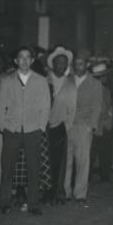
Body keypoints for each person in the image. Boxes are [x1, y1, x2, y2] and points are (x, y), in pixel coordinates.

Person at [0, 45, 50, 215]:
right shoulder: (7, 81)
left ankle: (33, 203)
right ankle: (4, 202)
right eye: (21, 57)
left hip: (33, 130)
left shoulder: (41, 81)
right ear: (16, 60)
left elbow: (45, 106)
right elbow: (0, 107)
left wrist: (40, 127)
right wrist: (3, 126)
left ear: (33, 61)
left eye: (28, 57)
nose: (25, 60)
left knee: (34, 168)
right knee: (7, 167)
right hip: (11, 130)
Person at [63, 52, 102, 206]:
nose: (77, 66)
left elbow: (97, 107)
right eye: (75, 63)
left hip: (83, 126)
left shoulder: (95, 84)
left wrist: (90, 126)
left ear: (86, 65)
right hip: (67, 125)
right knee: (66, 161)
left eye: (81, 63)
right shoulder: (68, 81)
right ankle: (65, 191)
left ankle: (80, 193)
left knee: (82, 161)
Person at [45, 45, 76, 204]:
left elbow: (72, 108)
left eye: (64, 62)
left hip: (61, 127)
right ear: (53, 63)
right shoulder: (45, 80)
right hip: (44, 127)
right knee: (45, 161)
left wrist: (67, 127)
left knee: (60, 163)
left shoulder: (70, 84)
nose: (61, 65)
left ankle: (58, 192)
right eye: (58, 62)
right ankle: (45, 193)